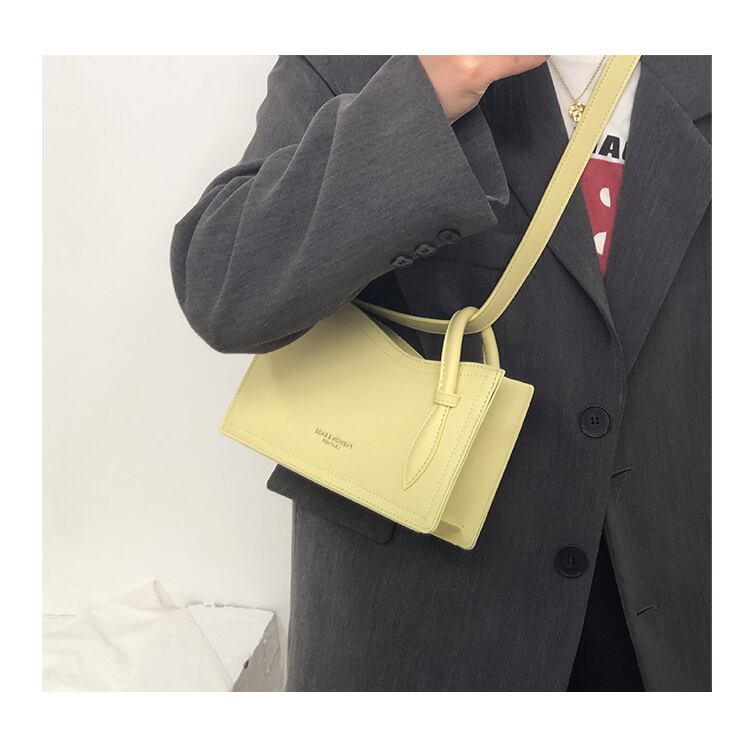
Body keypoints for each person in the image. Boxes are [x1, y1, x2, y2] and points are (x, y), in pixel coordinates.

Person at [170, 55, 711, 691]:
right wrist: (422, 95)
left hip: (678, 618)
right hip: (418, 615)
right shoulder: (363, 45)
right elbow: (226, 289)